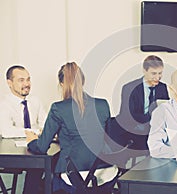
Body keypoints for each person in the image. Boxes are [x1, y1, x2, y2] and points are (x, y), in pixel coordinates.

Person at [25, 62, 116, 194]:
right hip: (107, 171)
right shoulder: (103, 104)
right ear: (83, 81)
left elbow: (41, 147)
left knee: (46, 181)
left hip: (76, 175)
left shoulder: (58, 108)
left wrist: (31, 141)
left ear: (61, 84)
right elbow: (107, 138)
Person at [113, 55, 169, 150]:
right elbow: (127, 115)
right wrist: (151, 118)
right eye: (153, 73)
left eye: (160, 73)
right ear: (144, 70)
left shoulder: (162, 87)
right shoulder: (129, 88)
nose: (157, 77)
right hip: (132, 128)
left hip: (153, 128)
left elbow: (165, 111)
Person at [0, 65, 46, 138]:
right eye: (21, 80)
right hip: (12, 148)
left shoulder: (36, 101)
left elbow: (45, 125)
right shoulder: (4, 105)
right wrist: (35, 132)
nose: (27, 84)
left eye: (28, 79)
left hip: (37, 145)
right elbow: (6, 131)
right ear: (10, 83)